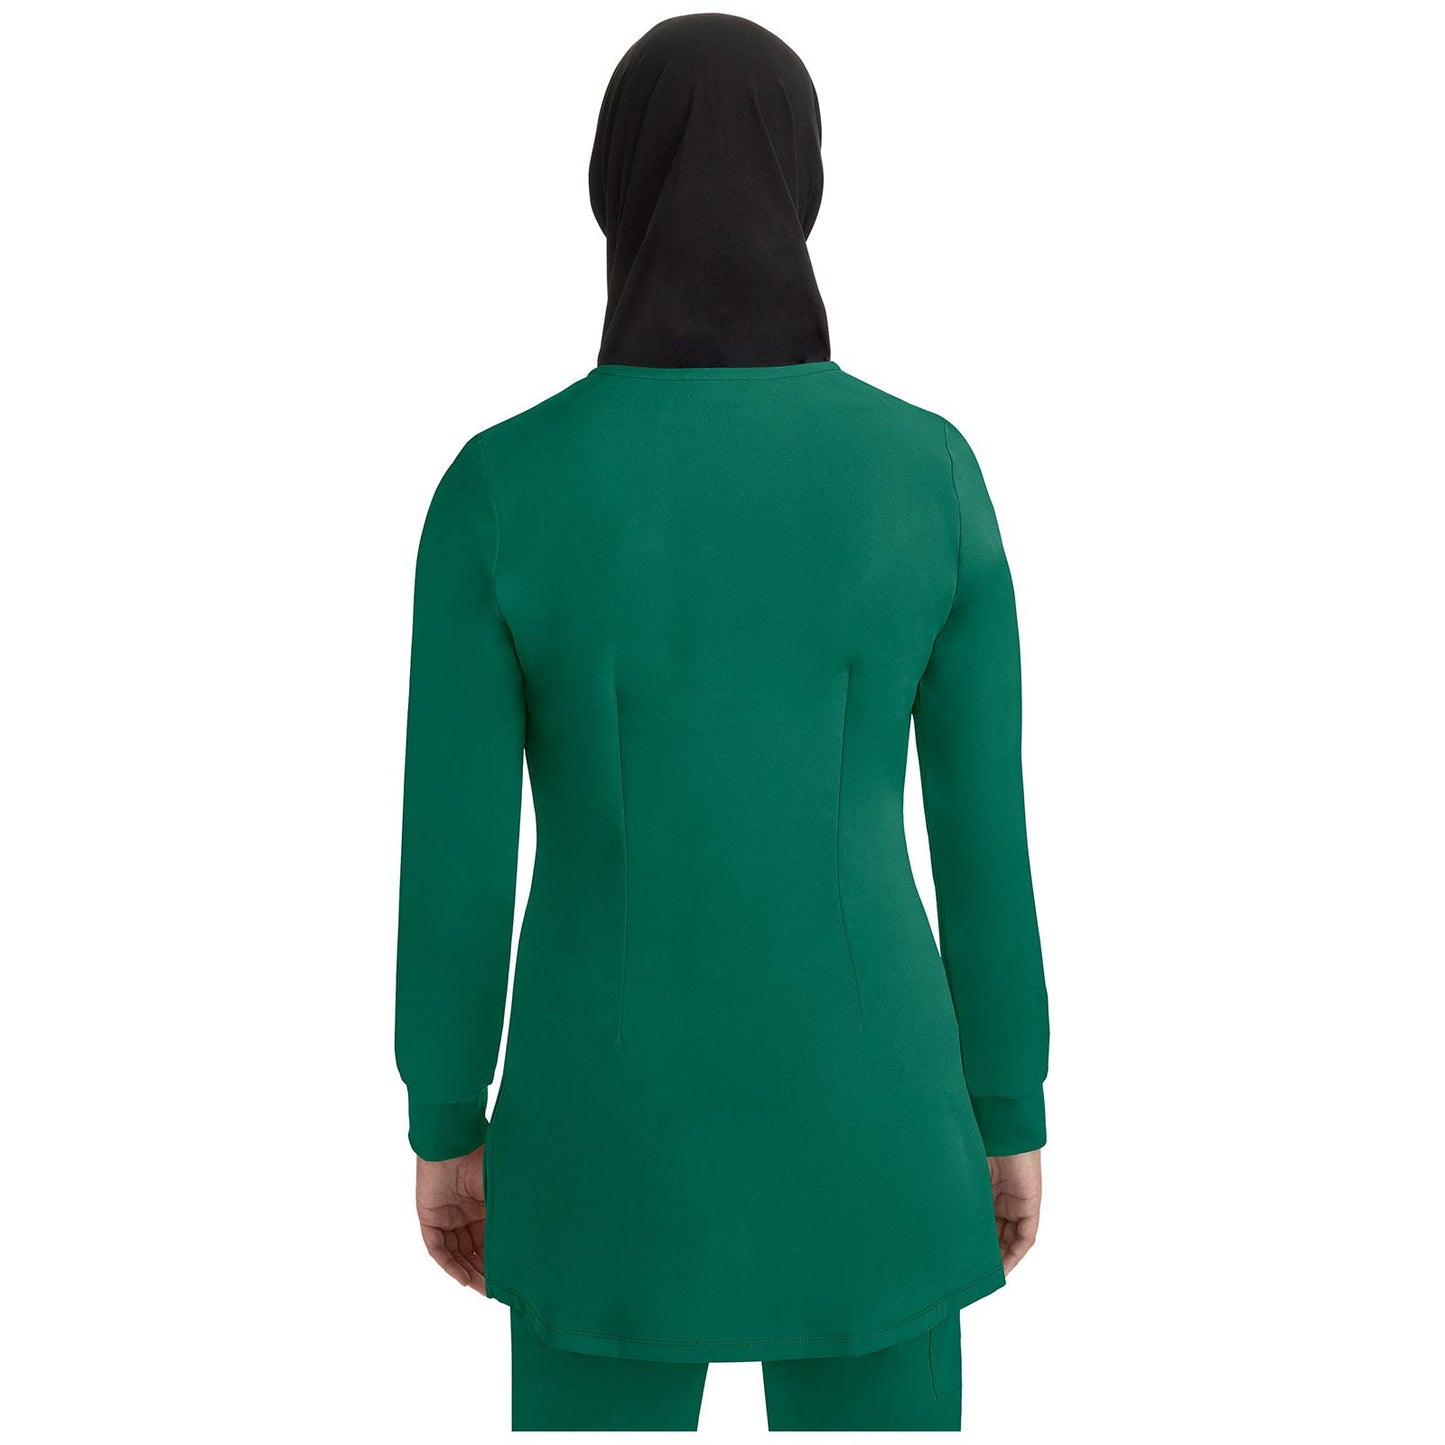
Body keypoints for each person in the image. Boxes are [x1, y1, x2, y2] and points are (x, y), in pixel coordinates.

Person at [395, 12, 1050, 1432]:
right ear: (804, 181)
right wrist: (1008, 1104)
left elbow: (452, 857)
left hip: (597, 1121)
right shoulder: (927, 474)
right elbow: (983, 837)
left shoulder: (498, 489)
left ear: (610, 186)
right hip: (878, 1110)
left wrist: (444, 1116)